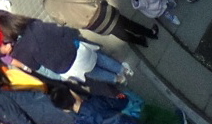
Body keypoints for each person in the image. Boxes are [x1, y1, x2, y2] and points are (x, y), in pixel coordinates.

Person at [29, 0, 155, 49]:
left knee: (118, 33)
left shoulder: (47, 6)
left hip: (92, 25)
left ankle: (141, 42)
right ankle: (150, 33)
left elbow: (62, 22)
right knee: (127, 23)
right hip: (102, 10)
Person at [0, 15, 130, 87]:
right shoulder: (34, 26)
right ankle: (122, 69)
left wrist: (60, 77)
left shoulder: (19, 53)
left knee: (93, 72)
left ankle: (118, 79)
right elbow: (61, 31)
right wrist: (74, 39)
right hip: (75, 50)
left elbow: (38, 68)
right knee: (100, 59)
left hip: (67, 68)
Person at [49, 84, 187, 124]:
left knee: (151, 123)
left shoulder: (80, 123)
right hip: (131, 113)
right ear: (73, 94)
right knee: (153, 113)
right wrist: (123, 97)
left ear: (65, 110)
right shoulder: (94, 103)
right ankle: (178, 123)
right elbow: (117, 103)